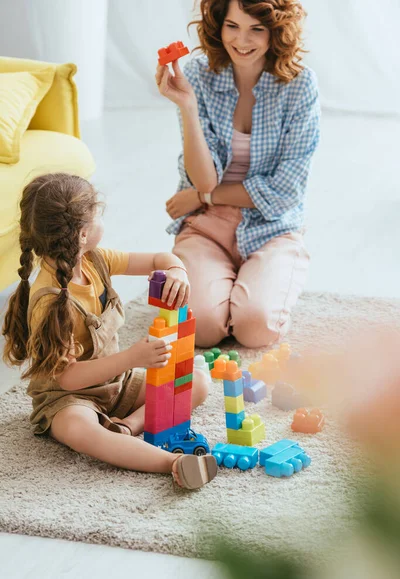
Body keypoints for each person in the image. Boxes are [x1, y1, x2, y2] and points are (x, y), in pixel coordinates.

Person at [2, 173, 217, 490]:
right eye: (98, 215)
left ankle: (129, 426)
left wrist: (176, 270)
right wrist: (132, 357)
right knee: (82, 432)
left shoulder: (95, 261)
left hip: (116, 384)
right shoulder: (47, 302)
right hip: (67, 399)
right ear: (83, 234)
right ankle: (173, 464)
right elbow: (67, 378)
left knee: (196, 382)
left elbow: (160, 258)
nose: (103, 220)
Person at [155, 0, 320, 348]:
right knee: (200, 329)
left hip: (272, 227)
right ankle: (225, 287)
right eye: (232, 26)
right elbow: (205, 179)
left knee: (256, 328)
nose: (242, 40)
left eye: (256, 29)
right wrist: (187, 107)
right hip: (206, 227)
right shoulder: (198, 75)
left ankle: (270, 279)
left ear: (275, 31)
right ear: (218, 26)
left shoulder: (301, 86)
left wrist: (203, 198)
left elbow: (284, 191)